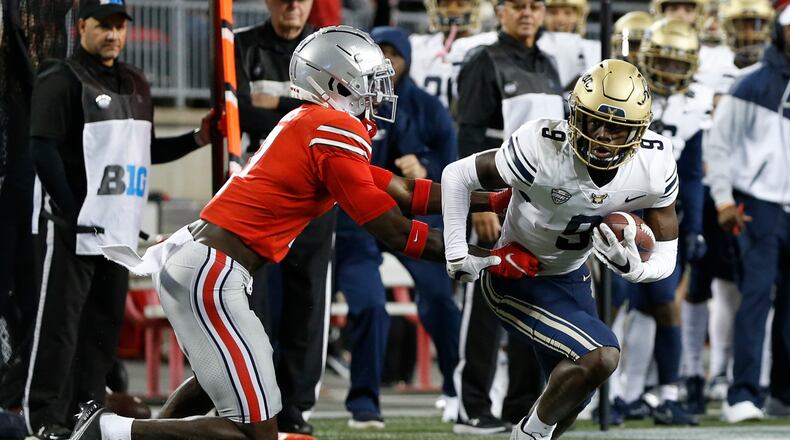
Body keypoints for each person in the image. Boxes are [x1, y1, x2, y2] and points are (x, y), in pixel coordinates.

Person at [71, 25, 523, 440]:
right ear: (336, 82)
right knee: (254, 434)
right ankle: (109, 431)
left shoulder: (314, 123)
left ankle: (119, 434)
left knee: (231, 373)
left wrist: (495, 198)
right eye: (368, 80)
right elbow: (391, 229)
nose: (378, 92)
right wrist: (479, 256)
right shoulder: (332, 129)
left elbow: (404, 189)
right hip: (211, 271)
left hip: (202, 265)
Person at [442, 58, 681, 440]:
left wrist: (633, 269)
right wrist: (456, 248)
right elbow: (458, 175)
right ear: (574, 114)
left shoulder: (654, 163)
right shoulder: (540, 147)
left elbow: (666, 257)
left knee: (576, 392)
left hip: (572, 278)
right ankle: (528, 435)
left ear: (638, 132)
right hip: (517, 275)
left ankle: (535, 433)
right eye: (594, 121)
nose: (603, 136)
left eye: (617, 128)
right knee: (601, 355)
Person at [23, 1, 213, 438]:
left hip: (118, 233)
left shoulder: (136, 83)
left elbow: (144, 152)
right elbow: (42, 149)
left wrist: (198, 138)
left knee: (103, 333)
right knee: (58, 329)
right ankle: (43, 420)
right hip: (70, 232)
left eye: (118, 26)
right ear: (82, 26)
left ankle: (85, 416)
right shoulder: (61, 79)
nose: (113, 34)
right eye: (103, 25)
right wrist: (71, 212)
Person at [333, 26, 462, 428]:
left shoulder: (428, 107)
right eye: (379, 52)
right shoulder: (343, 103)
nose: (387, 62)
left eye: (395, 53)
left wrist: (427, 169)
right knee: (368, 303)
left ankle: (458, 390)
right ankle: (364, 402)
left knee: (441, 298)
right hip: (358, 220)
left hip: (413, 216)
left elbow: (457, 170)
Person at [452, 0, 564, 434]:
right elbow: (469, 135)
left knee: (533, 304)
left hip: (541, 207)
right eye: (518, 5)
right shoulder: (484, 60)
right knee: (481, 301)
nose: (528, 13)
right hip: (495, 198)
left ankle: (522, 403)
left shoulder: (549, 62)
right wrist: (479, 204)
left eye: (535, 5)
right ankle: (471, 406)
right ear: (499, 11)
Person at [233, 0, 333, 433]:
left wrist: (270, 107)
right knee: (247, 299)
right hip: (256, 190)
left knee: (307, 299)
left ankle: (295, 405)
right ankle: (255, 398)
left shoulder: (330, 49)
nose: (292, 4)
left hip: (314, 188)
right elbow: (233, 114)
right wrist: (303, 118)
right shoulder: (237, 46)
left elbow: (338, 118)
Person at [613, 19, 710, 425]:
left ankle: (663, 394)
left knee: (664, 306)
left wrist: (696, 227)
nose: (669, 73)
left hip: (663, 216)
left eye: (678, 64)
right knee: (612, 300)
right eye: (663, 63)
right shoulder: (627, 89)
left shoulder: (692, 107)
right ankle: (609, 393)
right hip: (616, 209)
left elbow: (690, 175)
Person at [682, 0, 775, 412]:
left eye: (758, 23)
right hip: (702, 181)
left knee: (741, 285)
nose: (751, 32)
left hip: (748, 188)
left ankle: (727, 371)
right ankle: (691, 373)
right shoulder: (700, 56)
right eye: (744, 23)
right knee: (698, 281)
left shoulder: (773, 74)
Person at [704, 6, 790, 423]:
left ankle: (782, 395)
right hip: (759, 202)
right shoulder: (751, 83)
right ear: (779, 32)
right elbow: (718, 144)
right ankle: (741, 393)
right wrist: (722, 199)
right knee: (756, 296)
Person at [409, 0, 484, 109]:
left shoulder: (484, 47)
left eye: (460, 4)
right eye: (445, 4)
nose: (452, 10)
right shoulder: (417, 46)